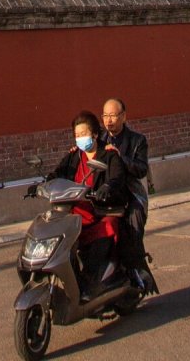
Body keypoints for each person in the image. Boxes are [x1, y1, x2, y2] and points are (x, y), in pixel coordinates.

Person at [47, 110, 127, 298]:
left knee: (107, 228)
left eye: (83, 134)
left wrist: (107, 187)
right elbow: (58, 173)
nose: (80, 139)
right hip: (74, 214)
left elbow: (117, 178)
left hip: (101, 212)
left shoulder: (108, 155)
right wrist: (42, 184)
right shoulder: (74, 156)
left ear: (95, 134)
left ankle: (94, 281)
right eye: (77, 135)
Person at [101, 97, 155, 291]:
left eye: (113, 116)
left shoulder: (137, 140)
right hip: (106, 195)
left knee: (132, 227)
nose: (109, 121)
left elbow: (141, 169)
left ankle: (137, 272)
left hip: (131, 196)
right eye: (105, 116)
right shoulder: (99, 140)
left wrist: (119, 158)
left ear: (123, 116)